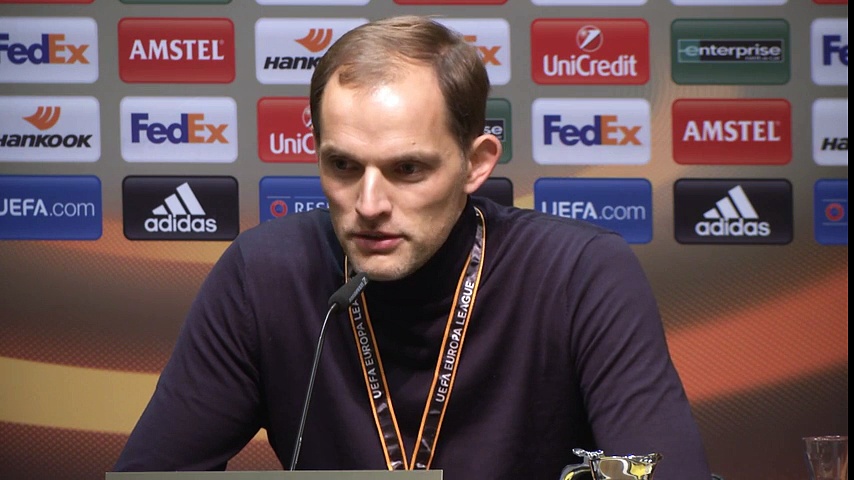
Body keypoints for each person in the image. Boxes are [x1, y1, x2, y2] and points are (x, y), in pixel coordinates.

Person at [115, 15, 712, 480]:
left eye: (407, 169)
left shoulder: (580, 274)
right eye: (343, 166)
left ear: (476, 164)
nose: (369, 203)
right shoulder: (263, 274)